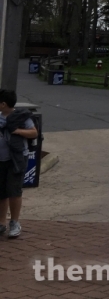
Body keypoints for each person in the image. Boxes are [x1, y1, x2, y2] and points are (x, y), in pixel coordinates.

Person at [0, 89, 38, 239]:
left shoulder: (21, 117)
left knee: (14, 191)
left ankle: (14, 223)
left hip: (17, 159)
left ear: (3, 104)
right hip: (1, 160)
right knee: (1, 192)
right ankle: (1, 222)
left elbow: (34, 133)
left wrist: (17, 131)